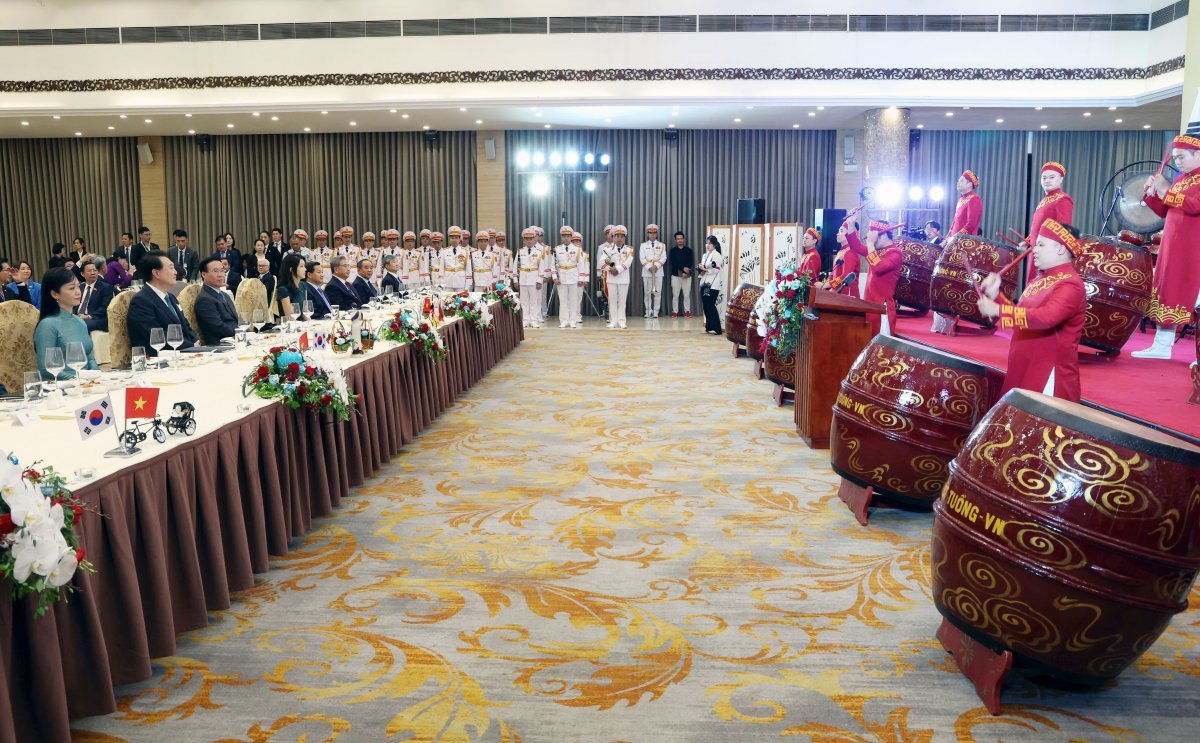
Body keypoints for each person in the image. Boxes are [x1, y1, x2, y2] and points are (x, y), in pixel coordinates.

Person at [976, 219, 1087, 402]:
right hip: (1023, 364)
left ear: (1061, 249)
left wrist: (997, 309)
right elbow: (1021, 319)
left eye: (1041, 245)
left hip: (1046, 373)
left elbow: (1046, 318)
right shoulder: (1038, 280)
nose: (1034, 250)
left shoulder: (1071, 283)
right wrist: (996, 295)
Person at [1134, 134, 1200, 359]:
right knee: (1166, 290)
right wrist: (1152, 193)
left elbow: (1194, 206)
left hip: (1191, 248)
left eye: (1181, 157)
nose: (1177, 162)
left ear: (1198, 154)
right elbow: (1165, 210)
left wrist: (1165, 191)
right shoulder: (1182, 179)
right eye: (1175, 157)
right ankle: (1162, 347)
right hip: (1172, 245)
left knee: (1180, 292)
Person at [128, 253, 197, 356]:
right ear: (156, 273)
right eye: (171, 268)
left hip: (184, 353)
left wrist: (195, 342)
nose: (175, 272)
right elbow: (157, 336)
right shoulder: (141, 301)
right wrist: (190, 346)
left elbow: (185, 326)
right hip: (159, 360)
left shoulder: (171, 297)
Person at [34, 267, 98, 379]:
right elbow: (45, 368)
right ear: (55, 294)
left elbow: (90, 356)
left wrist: (95, 373)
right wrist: (75, 380)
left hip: (87, 383)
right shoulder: (47, 325)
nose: (78, 291)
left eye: (78, 286)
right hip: (62, 388)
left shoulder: (80, 321)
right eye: (72, 288)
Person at [844, 218, 904, 335]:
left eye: (874, 238)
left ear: (884, 235)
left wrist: (871, 244)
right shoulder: (876, 250)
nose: (871, 242)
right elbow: (855, 246)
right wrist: (850, 224)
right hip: (869, 304)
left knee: (880, 348)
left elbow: (878, 267)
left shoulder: (895, 253)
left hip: (882, 306)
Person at [1022, 161, 1075, 277]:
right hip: (1036, 249)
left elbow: (1062, 229)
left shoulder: (1063, 199)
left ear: (1061, 179)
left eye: (1052, 177)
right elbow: (1038, 227)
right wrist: (1028, 241)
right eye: (1044, 178)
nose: (1047, 180)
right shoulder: (1044, 200)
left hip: (1048, 252)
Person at [192, 255, 240, 344]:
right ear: (203, 274)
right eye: (215, 271)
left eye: (222, 270)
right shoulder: (204, 299)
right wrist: (241, 334)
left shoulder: (225, 295)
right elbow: (218, 327)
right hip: (221, 345)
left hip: (237, 339)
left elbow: (235, 320)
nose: (220, 275)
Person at [598, 225, 634, 329]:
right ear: (613, 237)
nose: (619, 238)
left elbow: (628, 263)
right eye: (617, 236)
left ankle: (622, 321)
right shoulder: (607, 249)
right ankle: (613, 321)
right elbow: (602, 262)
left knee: (622, 301)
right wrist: (610, 269)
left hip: (623, 279)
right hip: (611, 278)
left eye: (622, 236)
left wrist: (616, 269)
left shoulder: (629, 250)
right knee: (612, 300)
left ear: (625, 237)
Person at [554, 231, 588, 328]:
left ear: (571, 237)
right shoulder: (557, 249)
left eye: (568, 236)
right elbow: (553, 265)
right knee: (563, 300)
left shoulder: (577, 249)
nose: (566, 238)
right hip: (561, 277)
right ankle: (564, 320)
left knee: (573, 300)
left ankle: (573, 320)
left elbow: (581, 265)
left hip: (574, 277)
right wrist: (555, 277)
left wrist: (581, 278)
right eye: (564, 236)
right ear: (561, 237)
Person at [76, 256, 114, 332]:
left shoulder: (105, 287)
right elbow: (74, 305)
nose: (93, 273)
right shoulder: (80, 287)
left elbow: (105, 307)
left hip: (96, 318)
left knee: (81, 325)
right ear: (82, 274)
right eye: (89, 271)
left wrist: (88, 316)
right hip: (77, 316)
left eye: (95, 270)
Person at [698, 235, 726, 334]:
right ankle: (709, 327)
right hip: (704, 283)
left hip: (713, 284)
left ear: (714, 245)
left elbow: (715, 270)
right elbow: (703, 267)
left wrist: (704, 268)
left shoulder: (717, 255)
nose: (707, 245)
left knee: (710, 305)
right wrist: (702, 269)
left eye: (710, 243)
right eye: (707, 243)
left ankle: (717, 328)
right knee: (705, 306)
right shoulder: (705, 255)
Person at [517, 228, 544, 328]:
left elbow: (541, 268)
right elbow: (516, 267)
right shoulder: (520, 252)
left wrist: (539, 280)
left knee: (534, 301)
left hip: (534, 279)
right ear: (524, 240)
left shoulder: (539, 252)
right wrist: (516, 280)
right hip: (523, 279)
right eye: (526, 239)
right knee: (524, 302)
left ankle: (534, 320)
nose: (529, 241)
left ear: (534, 240)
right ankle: (525, 319)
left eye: (531, 239)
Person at [639, 224, 666, 318]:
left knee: (658, 293)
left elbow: (663, 258)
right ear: (648, 234)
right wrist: (649, 267)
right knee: (647, 293)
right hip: (647, 272)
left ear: (657, 233)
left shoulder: (662, 245)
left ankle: (656, 311)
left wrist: (657, 266)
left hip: (658, 272)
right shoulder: (643, 245)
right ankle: (648, 311)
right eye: (650, 233)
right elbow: (642, 258)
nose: (652, 234)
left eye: (654, 233)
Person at [667, 230, 694, 317]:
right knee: (675, 295)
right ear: (676, 240)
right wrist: (683, 269)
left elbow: (690, 262)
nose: (680, 240)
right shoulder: (672, 251)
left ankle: (687, 311)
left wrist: (686, 272)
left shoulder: (689, 251)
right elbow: (674, 263)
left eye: (681, 238)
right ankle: (675, 312)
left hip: (687, 276)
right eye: (678, 239)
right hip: (675, 276)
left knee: (686, 295)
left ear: (684, 239)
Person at [950, 170, 983, 236]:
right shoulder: (961, 199)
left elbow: (971, 224)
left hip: (964, 241)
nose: (958, 183)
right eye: (958, 181)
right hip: (955, 240)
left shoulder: (974, 199)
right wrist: (947, 238)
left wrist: (956, 236)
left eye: (961, 181)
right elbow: (954, 222)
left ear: (970, 184)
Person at [276, 253, 307, 320]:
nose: (305, 269)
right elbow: (290, 318)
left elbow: (306, 313)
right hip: (291, 327)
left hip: (304, 326)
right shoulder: (283, 290)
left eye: (305, 266)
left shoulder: (302, 285)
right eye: (301, 266)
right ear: (291, 269)